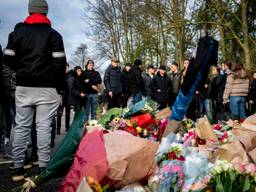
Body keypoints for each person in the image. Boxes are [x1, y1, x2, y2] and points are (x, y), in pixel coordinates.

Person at [3, 0, 66, 181]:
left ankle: (18, 168)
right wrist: (59, 88)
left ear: (29, 11)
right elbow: (60, 65)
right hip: (47, 87)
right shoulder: (54, 35)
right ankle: (43, 166)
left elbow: (7, 58)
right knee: (44, 127)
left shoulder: (17, 32)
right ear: (46, 13)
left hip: (23, 85)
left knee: (21, 126)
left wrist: (22, 69)